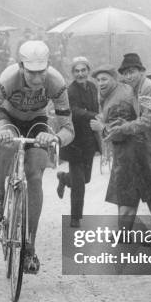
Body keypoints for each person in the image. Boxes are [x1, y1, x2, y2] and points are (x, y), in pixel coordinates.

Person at [0, 40, 74, 274]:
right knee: (6, 140)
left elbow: (69, 129)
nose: (37, 80)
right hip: (7, 117)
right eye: (31, 73)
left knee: (35, 175)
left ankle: (30, 247)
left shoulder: (56, 83)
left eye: (41, 72)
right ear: (21, 66)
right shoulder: (8, 79)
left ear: (48, 67)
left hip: (37, 121)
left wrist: (55, 138)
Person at [107, 53, 151, 238]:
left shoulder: (149, 88)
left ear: (142, 71)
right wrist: (125, 122)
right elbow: (143, 118)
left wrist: (124, 128)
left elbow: (148, 122)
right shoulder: (137, 90)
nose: (128, 76)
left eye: (132, 72)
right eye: (125, 73)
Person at [90, 65, 151, 238]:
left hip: (130, 151)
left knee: (130, 191)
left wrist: (101, 127)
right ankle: (129, 231)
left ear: (114, 79)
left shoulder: (119, 99)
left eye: (105, 79)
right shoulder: (117, 92)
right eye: (98, 80)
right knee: (138, 191)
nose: (100, 83)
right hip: (131, 151)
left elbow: (119, 132)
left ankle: (129, 233)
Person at [56, 57, 100, 228]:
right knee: (79, 184)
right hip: (74, 140)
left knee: (85, 179)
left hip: (88, 140)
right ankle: (75, 217)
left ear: (88, 71)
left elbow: (96, 108)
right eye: (77, 71)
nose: (80, 74)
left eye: (83, 70)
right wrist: (91, 115)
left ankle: (63, 178)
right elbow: (73, 111)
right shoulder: (70, 91)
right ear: (72, 73)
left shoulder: (93, 87)